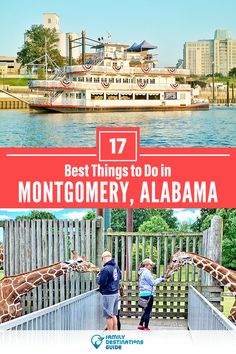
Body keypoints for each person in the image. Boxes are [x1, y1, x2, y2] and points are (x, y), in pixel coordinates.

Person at [97, 251, 121, 330]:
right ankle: (115, 332)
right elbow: (119, 277)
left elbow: (101, 282)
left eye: (102, 259)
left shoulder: (105, 269)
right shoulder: (116, 267)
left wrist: (98, 277)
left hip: (108, 294)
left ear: (104, 258)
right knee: (114, 314)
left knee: (108, 316)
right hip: (115, 293)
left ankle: (110, 333)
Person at [137, 258, 164, 331]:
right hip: (148, 294)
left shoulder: (142, 272)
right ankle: (146, 327)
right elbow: (153, 283)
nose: (151, 267)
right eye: (150, 265)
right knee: (148, 311)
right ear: (146, 265)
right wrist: (161, 279)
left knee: (145, 310)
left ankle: (140, 325)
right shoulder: (147, 272)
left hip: (143, 293)